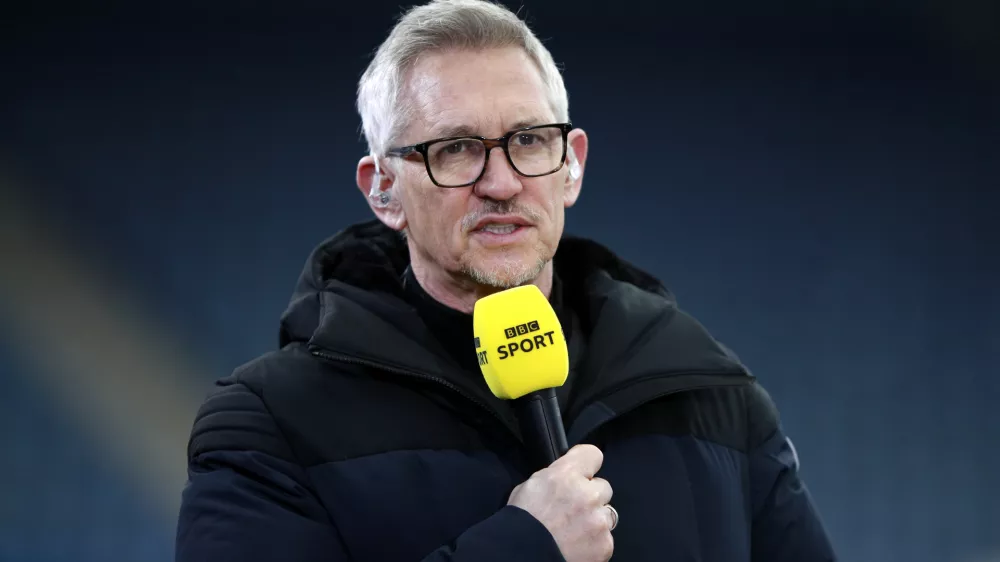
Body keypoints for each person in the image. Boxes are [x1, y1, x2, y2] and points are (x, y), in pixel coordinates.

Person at [174, 0, 837, 560]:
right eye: (455, 148)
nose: (501, 182)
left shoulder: (711, 393)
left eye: (528, 140)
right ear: (383, 190)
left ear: (570, 165)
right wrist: (525, 548)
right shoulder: (269, 426)